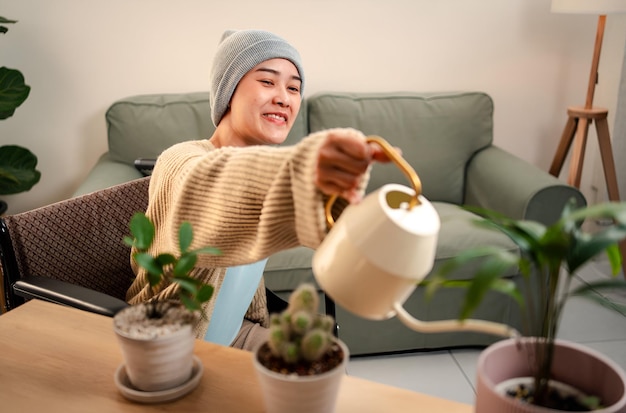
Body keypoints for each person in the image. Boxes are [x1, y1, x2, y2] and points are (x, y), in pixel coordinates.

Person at [126, 29, 393, 350]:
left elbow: (323, 225)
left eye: (294, 88)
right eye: (267, 82)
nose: (284, 97)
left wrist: (344, 184)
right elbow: (213, 188)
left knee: (330, 359)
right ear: (229, 91)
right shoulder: (180, 159)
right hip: (172, 343)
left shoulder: (265, 171)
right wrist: (306, 164)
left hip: (235, 332)